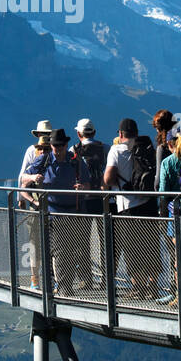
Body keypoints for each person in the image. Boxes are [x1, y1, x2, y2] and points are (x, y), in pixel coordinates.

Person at [22, 129, 94, 294]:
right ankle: (64, 289)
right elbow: (24, 178)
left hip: (74, 213)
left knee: (70, 252)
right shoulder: (44, 160)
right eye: (55, 145)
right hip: (53, 213)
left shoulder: (76, 162)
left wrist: (82, 188)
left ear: (66, 144)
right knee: (61, 251)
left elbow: (88, 185)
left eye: (60, 145)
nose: (58, 148)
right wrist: (33, 178)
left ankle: (64, 287)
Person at [103, 118, 160, 300]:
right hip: (150, 203)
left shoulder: (116, 150)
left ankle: (139, 288)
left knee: (133, 249)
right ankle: (154, 287)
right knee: (151, 246)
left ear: (120, 134)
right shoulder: (146, 146)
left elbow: (108, 178)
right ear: (136, 132)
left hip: (128, 205)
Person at [15, 120, 54, 288]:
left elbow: (22, 175)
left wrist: (21, 198)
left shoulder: (32, 150)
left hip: (35, 203)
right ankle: (45, 279)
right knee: (43, 242)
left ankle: (36, 279)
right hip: (49, 203)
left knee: (36, 242)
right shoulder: (56, 150)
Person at [71, 119, 108, 291]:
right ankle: (107, 280)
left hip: (83, 200)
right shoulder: (105, 148)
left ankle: (86, 279)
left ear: (79, 134)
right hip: (104, 199)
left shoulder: (74, 151)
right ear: (94, 132)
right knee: (106, 240)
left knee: (82, 241)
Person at [156, 129, 181, 306]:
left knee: (178, 255)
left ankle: (180, 294)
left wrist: (162, 214)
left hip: (175, 213)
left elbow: (163, 193)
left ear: (170, 144)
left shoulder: (168, 163)